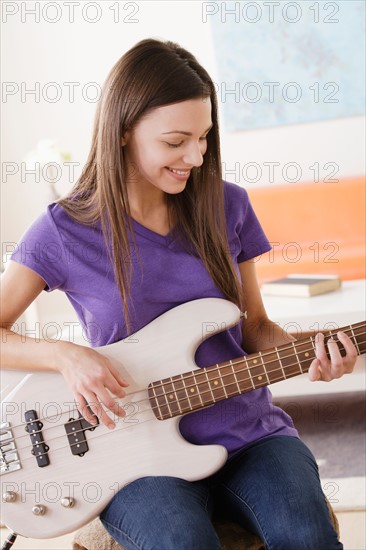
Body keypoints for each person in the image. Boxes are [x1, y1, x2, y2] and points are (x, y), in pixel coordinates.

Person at [1, 38, 357, 550]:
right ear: (123, 132)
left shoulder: (228, 206)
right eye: (176, 141)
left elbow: (254, 327)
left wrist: (315, 355)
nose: (196, 155)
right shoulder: (63, 230)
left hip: (249, 435)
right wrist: (64, 355)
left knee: (306, 535)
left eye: (205, 137)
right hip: (132, 454)